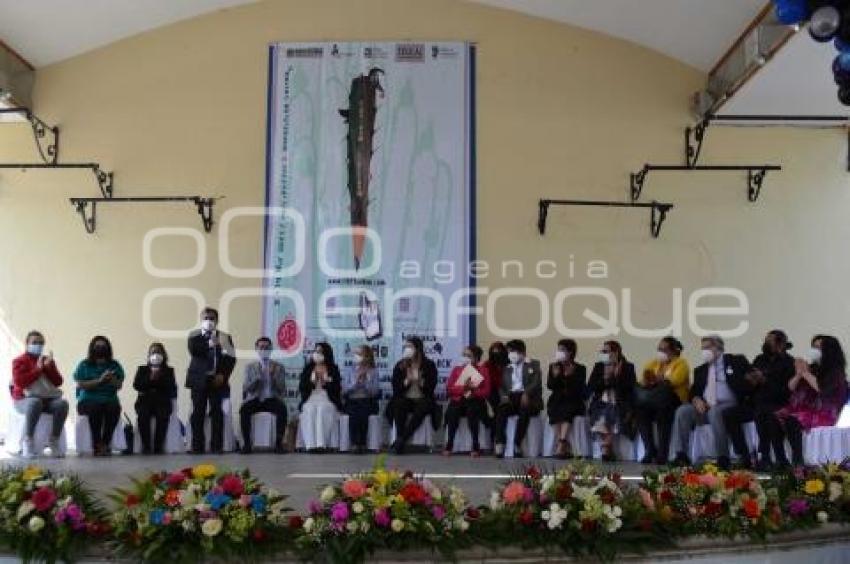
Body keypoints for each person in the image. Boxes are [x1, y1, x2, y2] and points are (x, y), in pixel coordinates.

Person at [669, 336, 750, 470]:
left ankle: (723, 457)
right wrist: (696, 400)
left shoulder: (736, 361)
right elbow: (693, 393)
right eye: (702, 348)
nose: (704, 351)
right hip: (705, 407)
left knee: (714, 412)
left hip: (729, 406)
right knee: (683, 411)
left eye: (707, 347)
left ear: (718, 348)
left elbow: (749, 379)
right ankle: (681, 455)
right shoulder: (700, 370)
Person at [723, 329, 795, 470]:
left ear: (780, 344)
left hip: (776, 403)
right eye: (765, 340)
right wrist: (750, 380)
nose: (765, 343)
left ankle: (766, 457)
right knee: (729, 414)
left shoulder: (789, 363)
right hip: (755, 402)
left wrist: (764, 380)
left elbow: (785, 391)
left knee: (764, 412)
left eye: (769, 341)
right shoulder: (759, 359)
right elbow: (750, 379)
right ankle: (743, 454)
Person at [773, 335, 848, 466]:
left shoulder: (836, 372)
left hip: (825, 412)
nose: (815, 350)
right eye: (813, 347)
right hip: (807, 409)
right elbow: (791, 387)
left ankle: (798, 460)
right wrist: (798, 373)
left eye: (819, 347)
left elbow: (822, 389)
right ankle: (780, 459)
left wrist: (805, 373)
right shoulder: (812, 368)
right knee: (773, 418)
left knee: (792, 420)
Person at [11, 330, 69, 458]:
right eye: (34, 342)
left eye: (41, 343)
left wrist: (49, 368)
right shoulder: (19, 361)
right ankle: (28, 441)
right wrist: (38, 370)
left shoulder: (47, 360)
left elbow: (58, 382)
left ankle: (54, 440)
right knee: (35, 402)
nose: (38, 345)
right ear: (27, 343)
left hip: (47, 399)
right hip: (23, 400)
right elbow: (20, 382)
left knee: (62, 404)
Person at [186, 307, 236, 455]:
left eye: (212, 318)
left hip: (217, 380)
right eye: (206, 318)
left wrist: (222, 375)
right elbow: (194, 351)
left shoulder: (225, 337)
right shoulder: (193, 336)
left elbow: (231, 358)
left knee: (217, 413)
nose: (209, 321)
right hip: (198, 380)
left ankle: (216, 446)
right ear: (201, 320)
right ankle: (197, 446)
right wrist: (210, 343)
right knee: (198, 413)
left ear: (217, 320)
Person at [635, 336, 689, 464]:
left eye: (663, 349)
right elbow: (643, 379)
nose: (660, 352)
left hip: (673, 400)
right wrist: (651, 380)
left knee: (663, 412)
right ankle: (650, 450)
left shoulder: (681, 363)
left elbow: (674, 381)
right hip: (654, 400)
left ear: (673, 351)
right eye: (659, 349)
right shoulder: (654, 363)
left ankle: (662, 453)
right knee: (640, 411)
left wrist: (658, 380)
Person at [74, 336, 124, 456]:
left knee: (114, 409)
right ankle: (97, 444)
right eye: (97, 346)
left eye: (103, 346)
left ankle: (105, 443)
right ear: (92, 348)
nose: (100, 349)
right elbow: (80, 384)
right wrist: (100, 381)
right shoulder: (84, 364)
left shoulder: (114, 365)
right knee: (95, 408)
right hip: (87, 401)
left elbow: (119, 385)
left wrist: (111, 379)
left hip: (109, 400)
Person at [587, 340, 636, 461]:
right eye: (602, 351)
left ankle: (606, 447)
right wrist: (605, 379)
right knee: (600, 411)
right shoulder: (599, 366)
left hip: (619, 401)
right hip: (600, 400)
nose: (603, 353)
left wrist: (616, 377)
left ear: (616, 352)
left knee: (613, 410)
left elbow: (629, 388)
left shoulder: (627, 366)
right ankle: (607, 448)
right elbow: (591, 386)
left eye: (606, 351)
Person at [493, 339, 543, 458]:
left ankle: (517, 443)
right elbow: (501, 386)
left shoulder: (534, 364)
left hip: (528, 397)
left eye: (513, 351)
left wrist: (526, 393)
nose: (510, 354)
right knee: (501, 411)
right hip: (511, 397)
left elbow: (536, 383)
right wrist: (504, 396)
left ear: (522, 352)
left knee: (524, 411)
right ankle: (500, 443)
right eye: (509, 351)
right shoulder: (506, 367)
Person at [389, 336, 438, 454]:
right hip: (406, 399)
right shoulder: (400, 365)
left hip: (423, 399)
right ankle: (400, 438)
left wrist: (420, 382)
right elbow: (396, 389)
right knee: (399, 404)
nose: (407, 349)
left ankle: (400, 441)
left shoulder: (429, 365)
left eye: (409, 347)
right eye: (405, 347)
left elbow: (431, 389)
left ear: (417, 349)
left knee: (423, 406)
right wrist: (407, 381)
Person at [239, 337, 288, 454]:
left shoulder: (278, 367)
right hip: (255, 399)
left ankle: (278, 444)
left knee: (282, 409)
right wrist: (258, 377)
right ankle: (246, 444)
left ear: (271, 350)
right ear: (256, 349)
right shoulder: (250, 367)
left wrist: (273, 376)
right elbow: (247, 388)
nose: (264, 350)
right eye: (261, 347)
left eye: (267, 347)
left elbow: (282, 389)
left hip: (271, 398)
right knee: (244, 410)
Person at [443, 345, 491, 457]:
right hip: (459, 400)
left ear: (476, 358)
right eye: (464, 355)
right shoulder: (457, 370)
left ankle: (475, 445)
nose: (465, 358)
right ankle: (449, 444)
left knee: (472, 410)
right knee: (453, 410)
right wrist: (463, 388)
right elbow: (449, 389)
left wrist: (474, 390)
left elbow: (486, 392)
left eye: (468, 356)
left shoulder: (483, 371)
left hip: (475, 401)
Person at [133, 342, 177, 454]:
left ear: (163, 354)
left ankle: (158, 447)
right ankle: (146, 446)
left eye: (158, 352)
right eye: (153, 352)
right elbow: (137, 385)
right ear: (149, 355)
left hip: (162, 401)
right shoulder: (142, 369)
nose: (155, 354)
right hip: (145, 401)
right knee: (143, 416)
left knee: (163, 416)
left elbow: (171, 386)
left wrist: (159, 379)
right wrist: (150, 379)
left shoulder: (169, 370)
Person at [546, 339, 587, 459]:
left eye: (562, 350)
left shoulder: (580, 368)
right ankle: (562, 442)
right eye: (558, 349)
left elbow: (579, 388)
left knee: (568, 409)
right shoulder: (553, 366)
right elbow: (550, 386)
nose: (559, 352)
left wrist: (569, 377)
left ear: (570, 352)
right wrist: (557, 375)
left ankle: (561, 443)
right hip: (557, 399)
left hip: (574, 399)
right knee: (553, 409)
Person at [298, 342, 342, 452]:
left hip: (327, 397)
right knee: (310, 409)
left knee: (322, 409)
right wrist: (312, 382)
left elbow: (337, 388)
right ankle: (310, 445)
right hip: (311, 397)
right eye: (316, 351)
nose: (317, 354)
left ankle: (321, 444)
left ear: (326, 354)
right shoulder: (308, 368)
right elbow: (302, 387)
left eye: (320, 352)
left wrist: (326, 382)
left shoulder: (333, 368)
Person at [342, 344, 380, 454]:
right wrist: (356, 382)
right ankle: (354, 443)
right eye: (355, 354)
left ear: (367, 356)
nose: (356, 356)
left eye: (359, 354)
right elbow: (344, 390)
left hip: (367, 400)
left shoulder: (374, 371)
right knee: (354, 415)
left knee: (363, 414)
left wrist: (365, 383)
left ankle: (362, 443)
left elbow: (375, 391)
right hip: (352, 400)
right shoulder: (349, 370)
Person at [483, 342, 509, 420]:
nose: (496, 354)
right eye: (493, 352)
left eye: (498, 352)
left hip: (507, 391)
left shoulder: (509, 364)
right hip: (492, 392)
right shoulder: (487, 365)